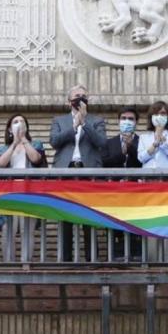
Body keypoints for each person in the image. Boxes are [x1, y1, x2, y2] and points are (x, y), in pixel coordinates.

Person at [50, 85, 107, 261]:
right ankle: (66, 260)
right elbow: (54, 141)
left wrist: (85, 123)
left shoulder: (96, 120)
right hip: (66, 173)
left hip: (88, 173)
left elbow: (101, 142)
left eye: (83, 95)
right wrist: (74, 126)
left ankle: (92, 259)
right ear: (69, 102)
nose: (80, 98)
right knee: (65, 218)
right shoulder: (59, 120)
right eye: (76, 95)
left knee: (89, 218)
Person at [0, 114, 47, 260]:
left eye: (22, 122)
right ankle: (9, 264)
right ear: (9, 129)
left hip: (29, 193)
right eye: (15, 122)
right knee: (8, 229)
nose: (19, 124)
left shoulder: (36, 144)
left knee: (27, 230)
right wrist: (14, 143)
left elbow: (36, 159)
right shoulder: (2, 148)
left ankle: (26, 264)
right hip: (8, 194)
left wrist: (23, 139)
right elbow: (0, 164)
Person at [101, 107, 143, 259]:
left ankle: (137, 255)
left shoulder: (142, 141)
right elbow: (104, 162)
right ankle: (115, 256)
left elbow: (143, 162)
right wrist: (122, 153)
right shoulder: (109, 143)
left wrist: (131, 148)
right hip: (114, 193)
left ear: (136, 122)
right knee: (115, 225)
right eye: (123, 118)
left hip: (136, 193)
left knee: (135, 225)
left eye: (131, 119)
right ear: (118, 121)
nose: (127, 121)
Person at [138, 101, 168, 169]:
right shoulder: (143, 137)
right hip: (148, 174)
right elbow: (141, 158)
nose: (159, 116)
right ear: (151, 117)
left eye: (163, 113)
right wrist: (154, 145)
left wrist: (163, 142)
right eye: (156, 114)